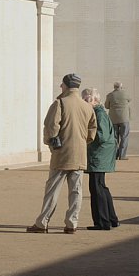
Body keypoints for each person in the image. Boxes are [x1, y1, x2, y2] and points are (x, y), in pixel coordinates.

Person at [26, 73, 96, 234]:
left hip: (62, 153)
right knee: (76, 191)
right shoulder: (87, 106)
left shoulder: (60, 103)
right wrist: (83, 142)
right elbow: (92, 130)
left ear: (65, 85)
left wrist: (50, 142)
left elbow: (51, 126)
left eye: (62, 84)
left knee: (52, 190)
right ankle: (72, 223)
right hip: (79, 154)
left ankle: (42, 222)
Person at [83, 87, 118, 230]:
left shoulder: (98, 114)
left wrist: (86, 136)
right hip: (101, 156)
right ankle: (111, 219)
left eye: (85, 99)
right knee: (101, 187)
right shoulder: (100, 113)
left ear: (93, 99)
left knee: (97, 188)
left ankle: (102, 222)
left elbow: (101, 136)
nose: (83, 102)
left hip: (98, 156)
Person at [104, 82, 131, 160]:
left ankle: (114, 155)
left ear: (114, 87)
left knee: (114, 137)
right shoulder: (125, 94)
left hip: (113, 118)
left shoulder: (110, 95)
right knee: (124, 137)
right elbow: (129, 100)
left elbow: (106, 106)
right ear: (121, 87)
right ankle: (122, 155)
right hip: (124, 118)